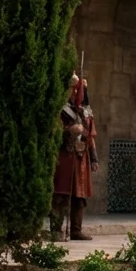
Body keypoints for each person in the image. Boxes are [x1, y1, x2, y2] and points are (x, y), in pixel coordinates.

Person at [52, 74, 97, 241]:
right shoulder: (62, 110)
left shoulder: (86, 112)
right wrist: (69, 131)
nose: (79, 94)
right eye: (77, 90)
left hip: (81, 158)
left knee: (80, 196)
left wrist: (94, 158)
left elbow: (91, 137)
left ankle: (76, 230)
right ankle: (56, 230)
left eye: (82, 90)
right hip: (65, 154)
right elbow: (55, 131)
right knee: (60, 194)